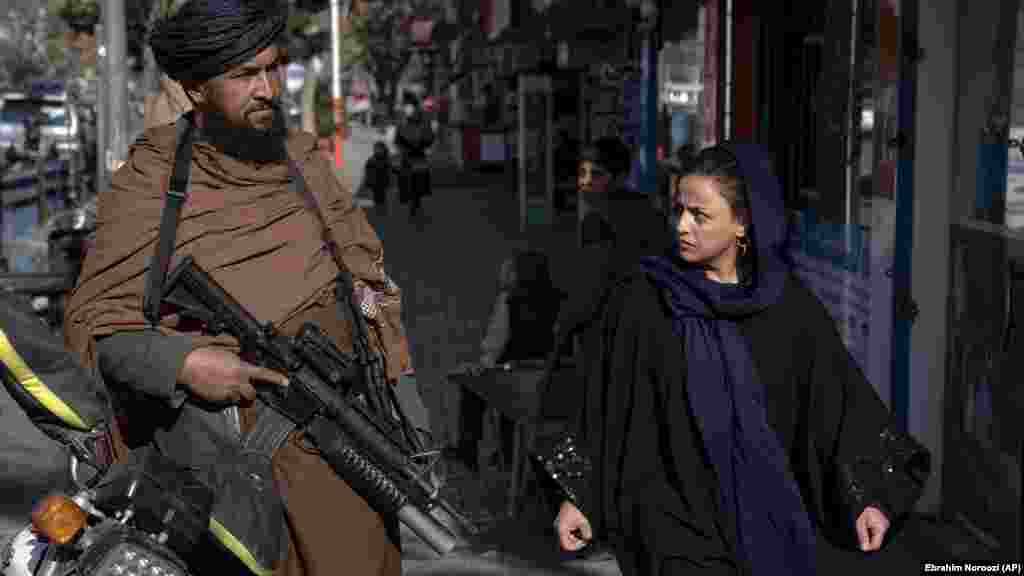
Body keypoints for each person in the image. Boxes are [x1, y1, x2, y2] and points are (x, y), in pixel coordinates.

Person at [64, 1, 431, 574]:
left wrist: (407, 411)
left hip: (348, 448)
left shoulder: (305, 162)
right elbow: (96, 325)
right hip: (228, 478)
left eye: (273, 67)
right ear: (195, 87)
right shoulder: (153, 180)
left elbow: (369, 287)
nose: (267, 88)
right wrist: (182, 364)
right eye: (243, 74)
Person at [544, 143, 930, 575]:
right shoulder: (643, 299)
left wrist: (866, 497)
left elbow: (835, 408)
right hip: (669, 526)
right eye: (679, 211)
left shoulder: (787, 309)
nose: (682, 227)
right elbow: (602, 403)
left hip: (767, 523)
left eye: (700, 215)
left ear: (743, 222)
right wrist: (577, 497)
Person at [396, 99, 434, 218]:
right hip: (413, 155)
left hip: (416, 155)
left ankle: (414, 199)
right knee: (410, 178)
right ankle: (413, 199)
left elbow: (429, 139)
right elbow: (398, 141)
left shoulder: (422, 126)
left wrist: (423, 143)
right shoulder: (405, 126)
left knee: (416, 178)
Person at [363, 141, 394, 209]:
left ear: (383, 149)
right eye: (376, 148)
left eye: (379, 148)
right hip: (375, 182)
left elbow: (390, 171)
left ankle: (381, 209)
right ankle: (379, 208)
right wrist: (366, 182)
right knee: (377, 198)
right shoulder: (372, 159)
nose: (377, 150)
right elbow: (367, 171)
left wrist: (390, 182)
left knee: (381, 198)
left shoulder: (386, 160)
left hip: (382, 182)